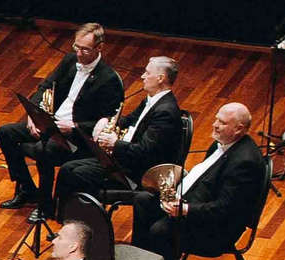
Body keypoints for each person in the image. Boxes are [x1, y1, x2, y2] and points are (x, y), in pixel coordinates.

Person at [126, 102, 268, 260]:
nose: (215, 124)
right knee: (143, 200)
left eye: (222, 122)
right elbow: (204, 180)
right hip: (194, 204)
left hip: (217, 229)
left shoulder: (244, 162)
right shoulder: (219, 144)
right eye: (216, 119)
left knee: (162, 230)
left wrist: (185, 209)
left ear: (239, 129)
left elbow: (224, 209)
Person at [0, 22, 123, 209]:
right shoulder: (69, 61)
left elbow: (106, 122)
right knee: (5, 132)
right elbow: (45, 86)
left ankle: (45, 206)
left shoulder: (108, 79)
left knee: (42, 149)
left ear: (100, 48)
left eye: (85, 50)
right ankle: (28, 189)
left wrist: (73, 127)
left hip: (75, 137)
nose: (79, 53)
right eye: (76, 47)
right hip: (51, 124)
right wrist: (33, 113)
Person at [60, 55, 190, 201]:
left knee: (79, 174)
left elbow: (144, 150)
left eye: (147, 73)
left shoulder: (165, 111)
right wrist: (107, 121)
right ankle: (63, 217)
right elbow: (128, 120)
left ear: (160, 78)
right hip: (124, 160)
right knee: (67, 169)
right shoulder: (151, 100)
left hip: (135, 172)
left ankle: (85, 219)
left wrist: (114, 144)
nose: (142, 76)